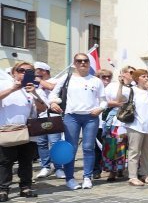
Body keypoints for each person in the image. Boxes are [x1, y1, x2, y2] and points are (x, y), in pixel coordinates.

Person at [49, 53, 107, 190]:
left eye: (85, 60)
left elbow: (104, 100)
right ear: (74, 63)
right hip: (72, 117)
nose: (82, 63)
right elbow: (53, 94)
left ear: (89, 63)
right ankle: (70, 178)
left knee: (88, 147)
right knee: (71, 148)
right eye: (79, 61)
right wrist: (52, 103)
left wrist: (100, 109)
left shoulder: (96, 80)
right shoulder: (67, 78)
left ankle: (87, 177)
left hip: (91, 117)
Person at [0, 62, 46, 201]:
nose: (25, 74)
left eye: (29, 71)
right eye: (21, 70)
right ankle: (3, 189)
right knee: (5, 162)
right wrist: (14, 88)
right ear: (14, 72)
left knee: (26, 161)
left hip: (28, 131)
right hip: (8, 130)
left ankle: (25, 187)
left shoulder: (34, 88)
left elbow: (42, 108)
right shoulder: (4, 84)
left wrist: (34, 93)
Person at [32, 62, 65, 179]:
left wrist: (38, 80)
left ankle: (58, 167)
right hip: (39, 116)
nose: (35, 72)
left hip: (53, 116)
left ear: (44, 71)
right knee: (41, 143)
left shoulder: (55, 81)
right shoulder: (35, 84)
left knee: (55, 142)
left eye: (37, 70)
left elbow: (52, 87)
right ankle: (45, 166)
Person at [103, 66, 136, 181]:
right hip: (116, 119)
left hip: (132, 120)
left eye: (134, 72)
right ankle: (112, 171)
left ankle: (122, 169)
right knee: (113, 145)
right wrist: (121, 86)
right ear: (123, 73)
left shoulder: (136, 87)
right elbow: (107, 101)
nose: (132, 74)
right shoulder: (112, 85)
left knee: (128, 146)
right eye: (130, 72)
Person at [92, 68, 114, 179]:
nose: (106, 79)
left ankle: (110, 169)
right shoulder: (94, 89)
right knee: (96, 148)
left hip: (111, 122)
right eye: (103, 77)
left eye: (108, 77)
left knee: (110, 146)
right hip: (98, 122)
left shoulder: (113, 88)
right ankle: (96, 170)